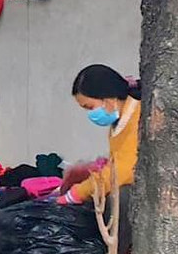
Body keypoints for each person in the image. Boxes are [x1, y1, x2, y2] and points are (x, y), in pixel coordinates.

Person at [58, 64, 141, 206]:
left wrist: (78, 193)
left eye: (90, 107)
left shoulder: (137, 119)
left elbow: (123, 171)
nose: (90, 114)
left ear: (108, 100)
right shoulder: (120, 121)